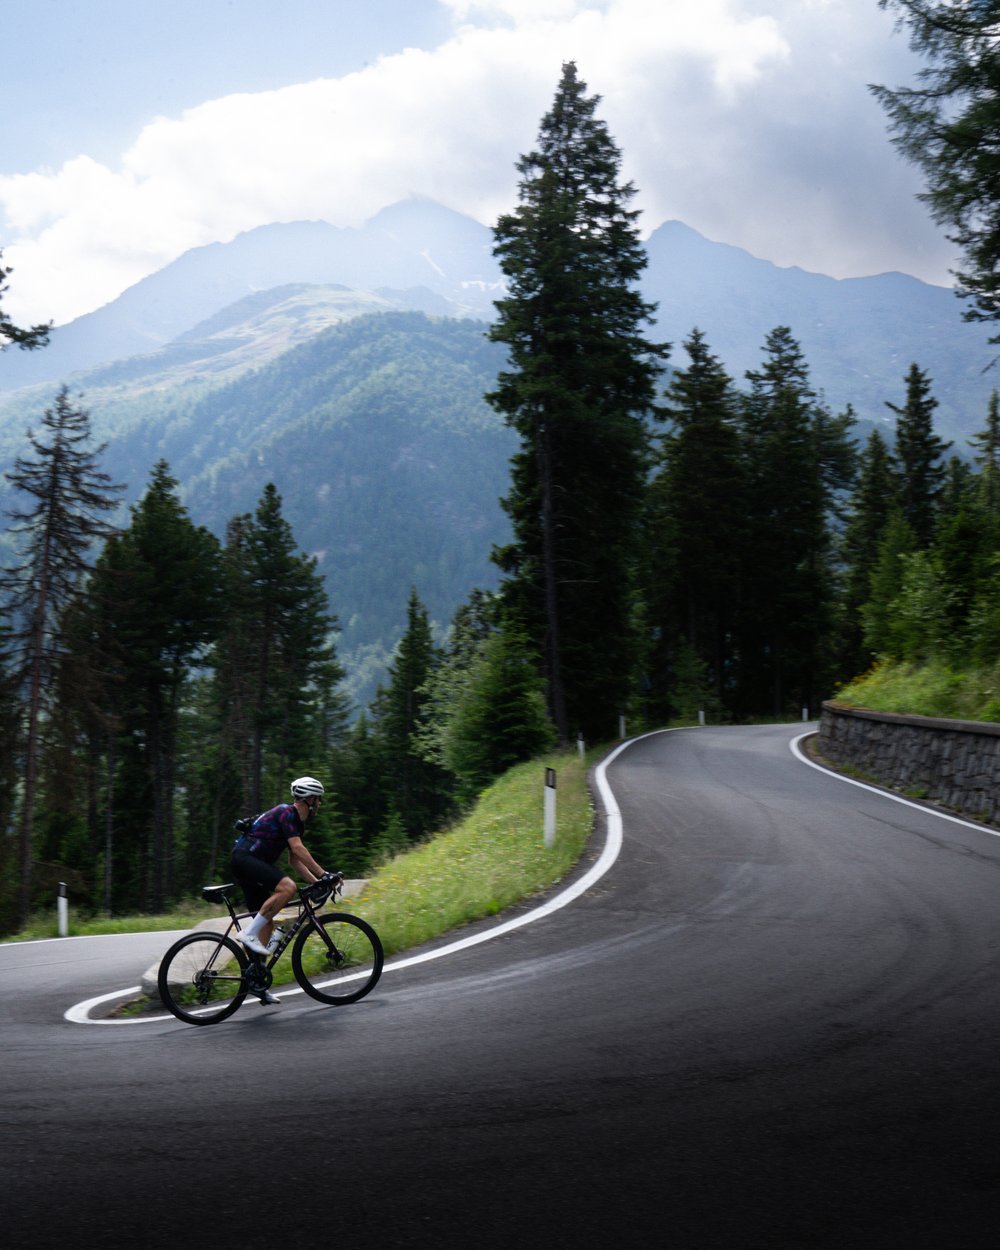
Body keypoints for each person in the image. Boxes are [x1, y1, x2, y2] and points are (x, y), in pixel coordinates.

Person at [231, 775, 331, 1004]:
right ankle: (247, 935)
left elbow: (294, 860)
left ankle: (257, 981)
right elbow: (298, 848)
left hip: (247, 861)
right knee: (288, 887)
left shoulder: (295, 822)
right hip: (246, 858)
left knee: (266, 921)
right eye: (318, 800)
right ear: (311, 799)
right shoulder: (288, 813)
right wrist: (324, 874)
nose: (319, 804)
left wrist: (317, 883)